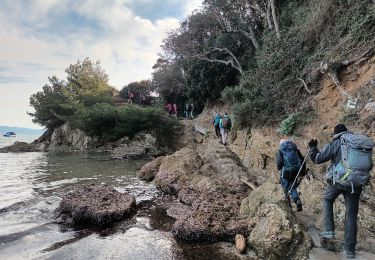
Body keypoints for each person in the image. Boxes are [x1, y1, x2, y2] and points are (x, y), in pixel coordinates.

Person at [308, 124, 370, 259]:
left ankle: (329, 230)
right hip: (356, 184)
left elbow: (318, 159)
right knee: (351, 216)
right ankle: (350, 251)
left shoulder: (336, 143)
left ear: (335, 133)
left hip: (339, 181)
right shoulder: (357, 143)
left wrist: (312, 147)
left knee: (327, 199)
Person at [276, 139, 306, 211]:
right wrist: (302, 173)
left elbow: (279, 165)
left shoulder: (280, 151)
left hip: (285, 173)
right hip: (296, 172)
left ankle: (288, 207)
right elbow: (303, 161)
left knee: (285, 188)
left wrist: (280, 168)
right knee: (293, 188)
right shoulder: (296, 150)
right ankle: (297, 201)